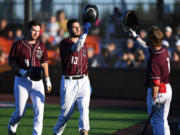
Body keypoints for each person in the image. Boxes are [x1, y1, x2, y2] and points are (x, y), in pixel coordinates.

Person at [7, 20, 52, 135]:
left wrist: (47, 80)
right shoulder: (18, 44)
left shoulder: (41, 45)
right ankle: (12, 126)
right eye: (34, 30)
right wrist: (21, 71)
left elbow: (44, 62)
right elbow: (11, 62)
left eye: (38, 31)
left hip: (38, 81)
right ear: (28, 30)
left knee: (39, 111)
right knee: (20, 112)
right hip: (22, 80)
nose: (36, 33)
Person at [130, 26, 172, 135]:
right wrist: (135, 36)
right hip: (167, 89)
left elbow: (155, 81)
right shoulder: (164, 50)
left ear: (152, 41)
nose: (147, 39)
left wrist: (154, 98)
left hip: (159, 91)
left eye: (149, 37)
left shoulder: (154, 58)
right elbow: (145, 45)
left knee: (156, 122)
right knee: (163, 121)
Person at [53, 19, 92, 135]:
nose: (78, 29)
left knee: (85, 109)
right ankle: (56, 132)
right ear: (69, 29)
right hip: (69, 82)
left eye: (79, 27)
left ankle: (84, 131)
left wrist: (88, 82)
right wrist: (85, 33)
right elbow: (76, 48)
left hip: (84, 80)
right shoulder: (65, 43)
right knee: (66, 114)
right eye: (74, 27)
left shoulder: (84, 43)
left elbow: (85, 64)